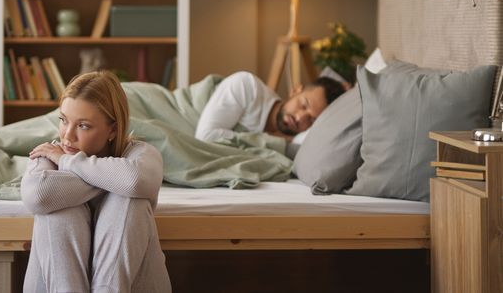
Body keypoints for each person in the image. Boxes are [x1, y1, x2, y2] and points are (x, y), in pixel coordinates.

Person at [21, 70, 172, 293]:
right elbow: (39, 195)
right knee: (57, 209)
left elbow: (133, 181)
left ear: (112, 129)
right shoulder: (48, 153)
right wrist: (110, 179)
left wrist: (67, 161)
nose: (67, 136)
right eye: (63, 120)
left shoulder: (140, 155)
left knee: (130, 200)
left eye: (83, 126)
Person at [195, 71, 345, 145]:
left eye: (311, 120)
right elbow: (204, 137)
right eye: (303, 105)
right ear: (295, 90)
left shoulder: (294, 142)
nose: (300, 118)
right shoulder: (247, 86)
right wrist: (273, 141)